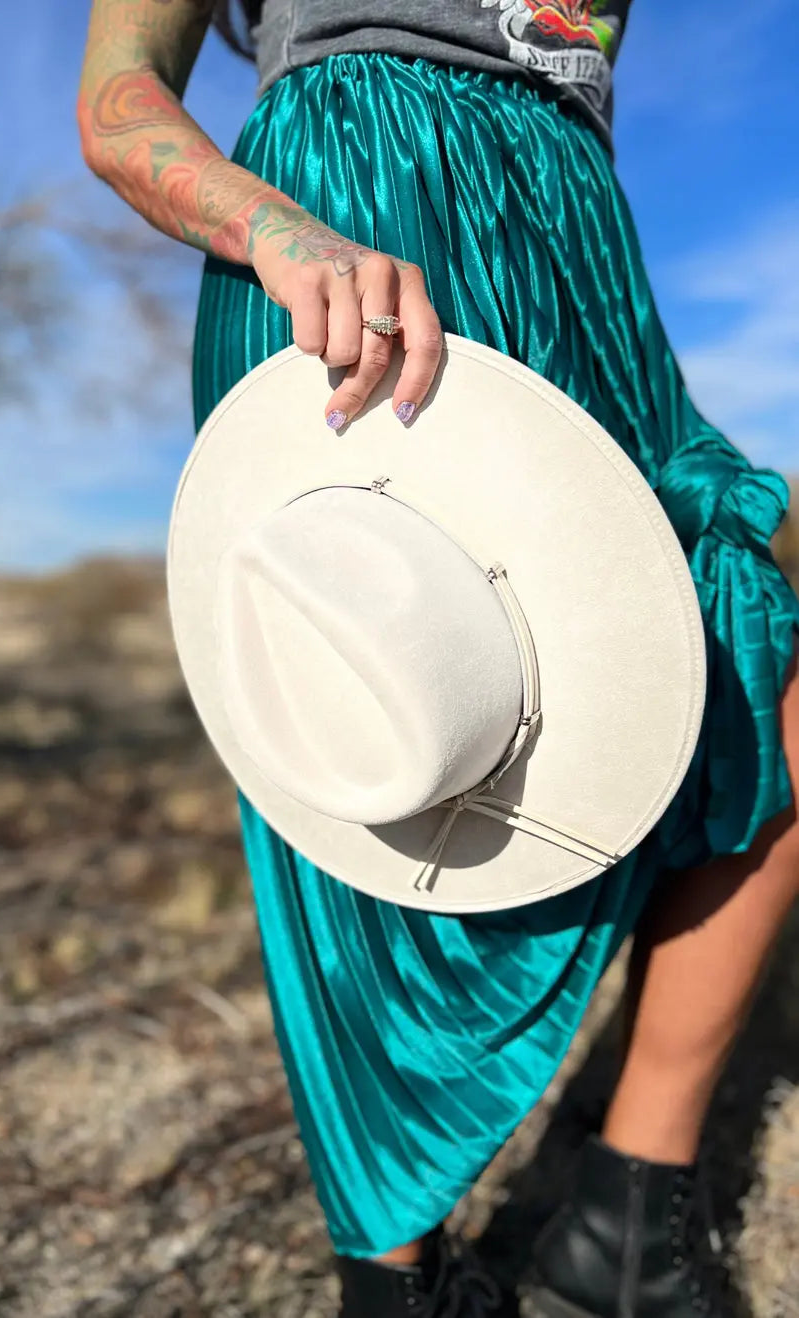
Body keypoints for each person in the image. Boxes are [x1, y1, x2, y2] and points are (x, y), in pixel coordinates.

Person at [77, 4, 799, 1315]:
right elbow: (118, 99)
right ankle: (393, 1272)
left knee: (752, 661)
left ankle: (627, 1224)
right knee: (382, 705)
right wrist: (287, 234)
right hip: (356, 210)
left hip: (581, 246)